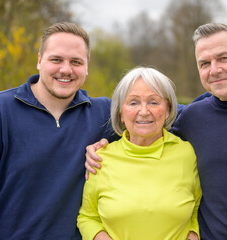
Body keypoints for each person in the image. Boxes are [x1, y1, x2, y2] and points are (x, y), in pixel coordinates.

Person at [85, 23, 227, 240]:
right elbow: (145, 127)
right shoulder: (192, 119)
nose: (215, 69)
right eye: (205, 63)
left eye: (223, 58)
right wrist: (102, 144)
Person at [0, 22, 115, 239]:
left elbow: (160, 114)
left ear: (87, 67)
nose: (65, 69)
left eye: (76, 62)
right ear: (39, 61)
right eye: (56, 59)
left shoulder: (104, 114)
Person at [77, 67, 202, 240]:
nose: (144, 111)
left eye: (153, 102)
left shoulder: (187, 153)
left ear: (167, 110)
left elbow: (198, 208)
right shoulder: (100, 158)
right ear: (121, 113)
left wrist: (193, 233)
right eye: (133, 102)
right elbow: (87, 217)